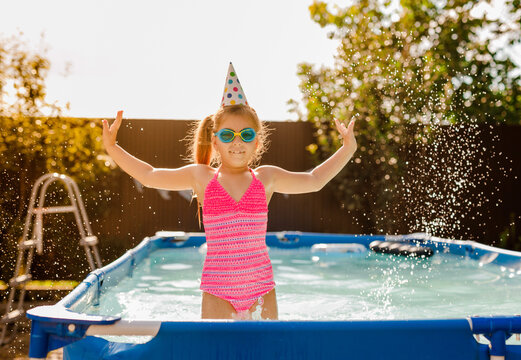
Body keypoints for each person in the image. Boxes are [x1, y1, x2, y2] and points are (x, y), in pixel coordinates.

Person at [101, 63, 357, 320]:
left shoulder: (266, 178)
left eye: (246, 134)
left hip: (261, 288)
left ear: (257, 142)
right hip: (218, 289)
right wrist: (113, 148)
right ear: (215, 141)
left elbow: (314, 180)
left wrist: (347, 148)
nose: (237, 141)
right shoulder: (202, 177)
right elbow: (149, 176)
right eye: (227, 135)